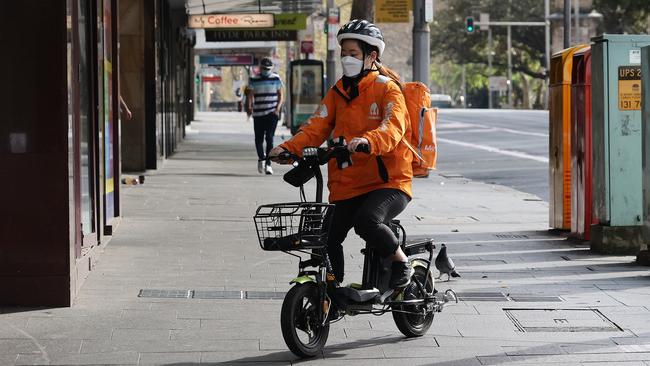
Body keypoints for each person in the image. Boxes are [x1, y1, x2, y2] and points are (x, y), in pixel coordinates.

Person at [269, 19, 414, 289]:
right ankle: (332, 290)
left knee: (366, 221)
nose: (347, 59)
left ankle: (400, 262)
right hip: (349, 185)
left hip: (388, 182)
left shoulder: (387, 88)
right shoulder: (337, 92)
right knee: (326, 236)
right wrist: (288, 148)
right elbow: (315, 126)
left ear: (372, 56)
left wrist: (368, 141)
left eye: (354, 54)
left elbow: (393, 127)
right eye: (344, 53)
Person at [247, 57, 284, 175]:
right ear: (260, 68)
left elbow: (281, 95)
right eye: (263, 68)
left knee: (269, 138)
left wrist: (277, 109)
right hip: (258, 114)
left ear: (271, 68)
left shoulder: (276, 78)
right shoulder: (253, 79)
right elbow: (250, 95)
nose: (266, 70)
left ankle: (268, 163)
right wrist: (249, 106)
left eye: (268, 69)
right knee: (259, 139)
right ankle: (261, 158)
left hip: (271, 114)